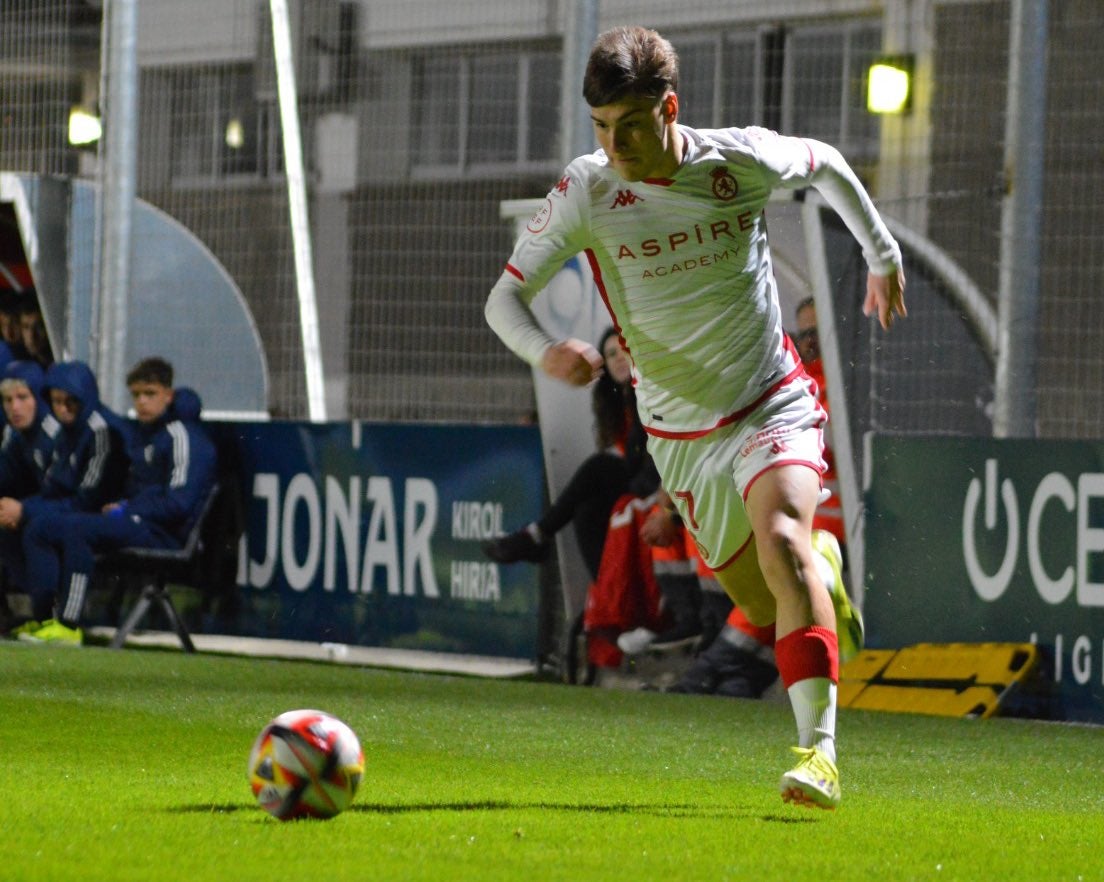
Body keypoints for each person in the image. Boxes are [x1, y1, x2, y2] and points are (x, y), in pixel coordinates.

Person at [484, 26, 905, 809]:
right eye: (602, 130)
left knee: (780, 542)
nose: (616, 146)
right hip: (680, 436)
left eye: (631, 127)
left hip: (768, 400)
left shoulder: (734, 160)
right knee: (756, 601)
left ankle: (819, 754)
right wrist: (543, 350)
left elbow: (829, 164)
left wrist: (880, 254)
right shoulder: (588, 190)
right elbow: (502, 299)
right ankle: (821, 561)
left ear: (669, 108)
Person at [18, 357, 217, 645]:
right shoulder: (145, 435)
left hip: (163, 534)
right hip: (135, 522)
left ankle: (68, 626)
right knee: (41, 528)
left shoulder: (182, 436)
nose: (142, 402)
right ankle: (44, 620)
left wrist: (128, 509)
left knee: (75, 530)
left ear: (168, 395)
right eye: (136, 395)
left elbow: (179, 503)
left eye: (150, 394)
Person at [482, 327, 659, 579]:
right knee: (586, 508)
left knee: (599, 467)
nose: (618, 358)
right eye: (610, 354)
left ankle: (537, 534)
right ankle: (605, 593)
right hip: (636, 486)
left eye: (623, 350)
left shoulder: (650, 397)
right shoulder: (616, 406)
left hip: (659, 487)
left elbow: (638, 466)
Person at [0, 361, 61, 632]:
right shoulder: (14, 432)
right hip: (39, 505)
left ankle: (48, 616)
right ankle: (25, 612)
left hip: (70, 509)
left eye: (23, 398)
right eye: (7, 400)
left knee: (36, 530)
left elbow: (62, 491)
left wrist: (22, 509)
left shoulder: (55, 432)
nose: (14, 407)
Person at [792, 297, 845, 549]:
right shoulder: (799, 385)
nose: (809, 340)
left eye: (815, 331)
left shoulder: (843, 384)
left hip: (842, 532)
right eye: (803, 334)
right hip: (808, 532)